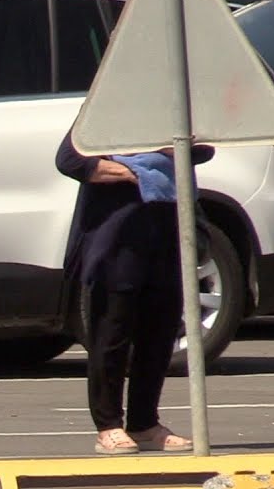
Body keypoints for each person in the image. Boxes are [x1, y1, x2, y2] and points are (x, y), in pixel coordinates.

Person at [56, 126, 213, 454]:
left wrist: (165, 154)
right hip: (116, 240)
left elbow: (204, 149)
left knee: (158, 337)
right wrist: (137, 171)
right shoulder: (105, 114)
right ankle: (108, 426)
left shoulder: (171, 111)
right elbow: (71, 161)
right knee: (111, 337)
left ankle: (144, 424)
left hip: (166, 236)